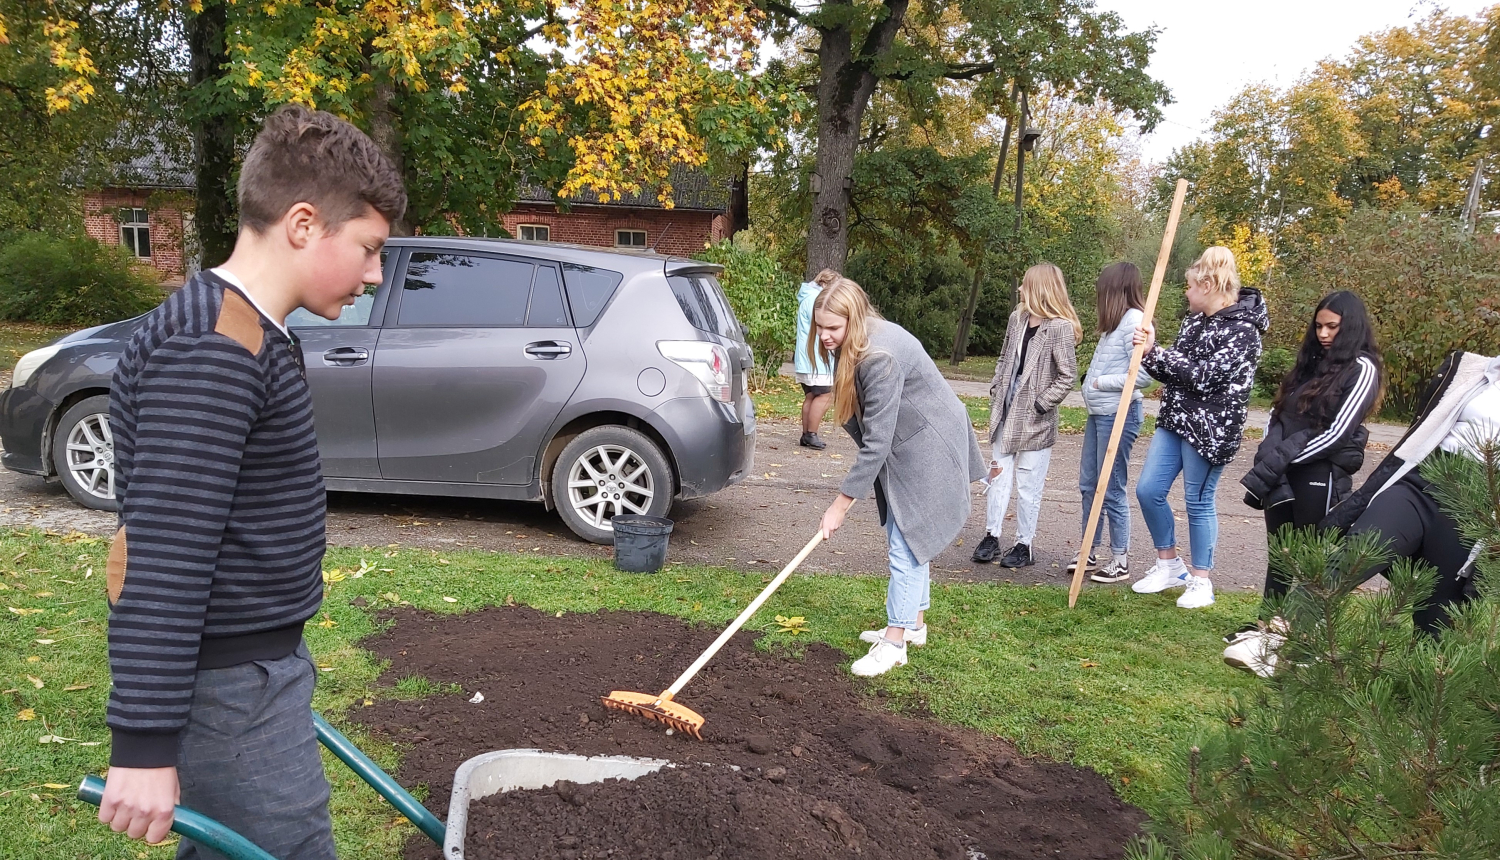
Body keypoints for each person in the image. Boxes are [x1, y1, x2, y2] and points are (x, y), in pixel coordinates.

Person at [97, 105, 405, 857]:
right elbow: (163, 549)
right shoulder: (215, 347)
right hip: (231, 686)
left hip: (256, 669)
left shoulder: (247, 330)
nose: (374, 274)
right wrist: (143, 745)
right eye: (368, 249)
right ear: (304, 224)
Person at [1230, 350, 1497, 675]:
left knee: (1439, 614)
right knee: (1358, 550)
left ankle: (1421, 705)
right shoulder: (1474, 369)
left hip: (1479, 503)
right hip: (1422, 477)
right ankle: (1278, 640)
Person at [813, 276, 986, 678]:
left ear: (853, 321)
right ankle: (915, 625)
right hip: (910, 439)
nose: (824, 336)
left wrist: (840, 506)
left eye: (833, 328)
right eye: (819, 327)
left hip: (928, 443)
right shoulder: (855, 343)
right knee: (906, 530)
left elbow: (877, 442)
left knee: (905, 538)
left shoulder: (880, 357)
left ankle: (894, 643)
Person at [1225, 291, 1382, 675]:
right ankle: (1266, 629)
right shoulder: (1310, 364)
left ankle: (1308, 640)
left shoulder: (1363, 368)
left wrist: (1283, 460)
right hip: (1282, 473)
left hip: (1319, 475)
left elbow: (1338, 433)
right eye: (1319, 326)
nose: (1324, 333)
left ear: (1351, 327)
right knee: (1280, 554)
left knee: (1314, 560)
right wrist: (1271, 456)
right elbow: (1279, 416)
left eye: (1333, 326)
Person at [1131, 247, 1268, 609]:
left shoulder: (1244, 330)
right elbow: (1175, 370)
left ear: (1207, 285)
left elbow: (1205, 377)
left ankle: (1201, 580)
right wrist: (1149, 353)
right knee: (1148, 490)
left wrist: (1156, 352)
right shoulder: (1194, 322)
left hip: (1211, 428)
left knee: (1198, 501)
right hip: (1176, 418)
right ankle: (1168, 564)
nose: (1186, 293)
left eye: (1190, 287)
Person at [971, 263, 1082, 568]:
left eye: (1025, 284)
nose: (1020, 289)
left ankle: (1024, 544)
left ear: (1040, 288)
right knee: (998, 476)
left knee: (1029, 483)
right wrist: (997, 386)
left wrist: (1041, 403)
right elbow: (1005, 355)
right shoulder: (1017, 318)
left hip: (1035, 420)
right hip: (1006, 411)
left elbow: (1067, 375)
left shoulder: (1059, 327)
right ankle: (991, 536)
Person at [1075, 262, 1153, 584]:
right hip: (1099, 414)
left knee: (1111, 487)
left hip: (1119, 414)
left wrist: (1099, 383)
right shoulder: (1114, 325)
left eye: (1102, 291)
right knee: (1089, 485)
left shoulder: (1134, 321)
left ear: (1114, 291)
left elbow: (1145, 375)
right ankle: (1087, 550)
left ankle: (1119, 558)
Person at [795, 268, 840, 449]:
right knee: (824, 395)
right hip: (816, 358)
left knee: (811, 396)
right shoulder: (817, 300)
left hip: (805, 358)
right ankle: (811, 434)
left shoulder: (806, 297)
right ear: (825, 284)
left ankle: (806, 434)